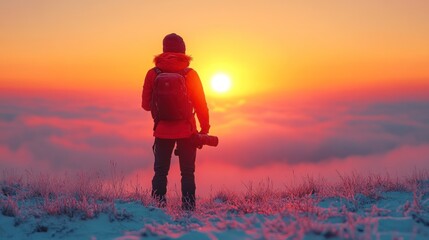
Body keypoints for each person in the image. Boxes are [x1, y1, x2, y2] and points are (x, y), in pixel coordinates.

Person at [141, 33, 210, 211]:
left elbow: (145, 106)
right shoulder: (190, 74)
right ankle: (188, 210)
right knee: (187, 172)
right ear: (183, 50)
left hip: (162, 130)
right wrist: (205, 127)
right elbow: (200, 104)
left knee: (160, 171)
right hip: (187, 130)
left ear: (164, 50)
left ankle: (157, 208)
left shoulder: (153, 73)